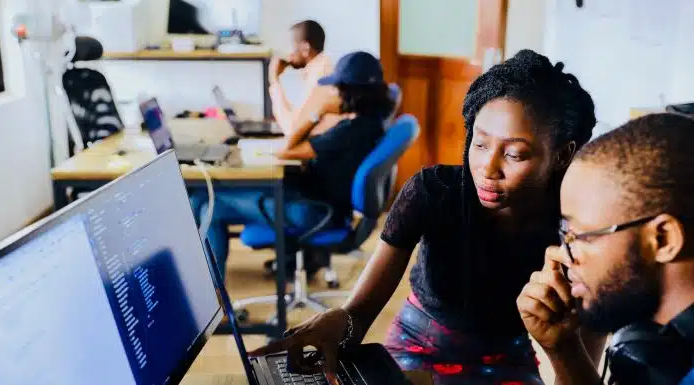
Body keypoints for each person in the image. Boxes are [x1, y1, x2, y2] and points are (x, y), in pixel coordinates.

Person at [247, 49, 603, 385]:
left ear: (561, 155)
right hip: (417, 344)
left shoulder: (580, 233)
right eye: (479, 144)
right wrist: (341, 321)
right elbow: (358, 315)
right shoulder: (433, 193)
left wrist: (561, 345)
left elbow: (582, 372)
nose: (487, 168)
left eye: (514, 154)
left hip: (508, 360)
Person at [518, 113, 694, 385]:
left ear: (663, 240)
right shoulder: (658, 343)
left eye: (581, 235)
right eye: (565, 233)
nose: (562, 255)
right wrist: (564, 349)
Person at [192, 51, 393, 282]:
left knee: (211, 207)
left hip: (314, 212)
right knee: (200, 197)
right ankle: (202, 283)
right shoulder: (371, 123)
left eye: (336, 88)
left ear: (350, 92)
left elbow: (287, 149)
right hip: (316, 202)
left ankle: (215, 297)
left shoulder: (352, 131)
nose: (332, 92)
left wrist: (318, 113)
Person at [269, 20, 344, 136]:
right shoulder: (320, 67)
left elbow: (292, 130)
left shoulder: (320, 75)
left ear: (305, 48)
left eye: (290, 47)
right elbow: (297, 118)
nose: (288, 55)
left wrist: (274, 80)